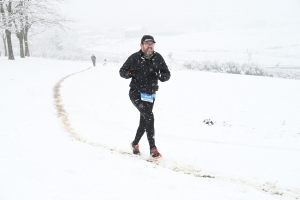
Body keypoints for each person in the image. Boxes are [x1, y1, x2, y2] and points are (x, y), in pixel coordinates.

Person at [119, 35, 171, 159]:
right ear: (141, 45)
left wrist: (162, 77)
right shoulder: (134, 58)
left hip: (150, 94)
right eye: (147, 43)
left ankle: (135, 143)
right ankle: (153, 148)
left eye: (152, 44)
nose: (150, 46)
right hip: (136, 92)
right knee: (149, 116)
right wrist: (129, 73)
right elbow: (122, 72)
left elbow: (167, 74)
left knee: (145, 120)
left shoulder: (158, 58)